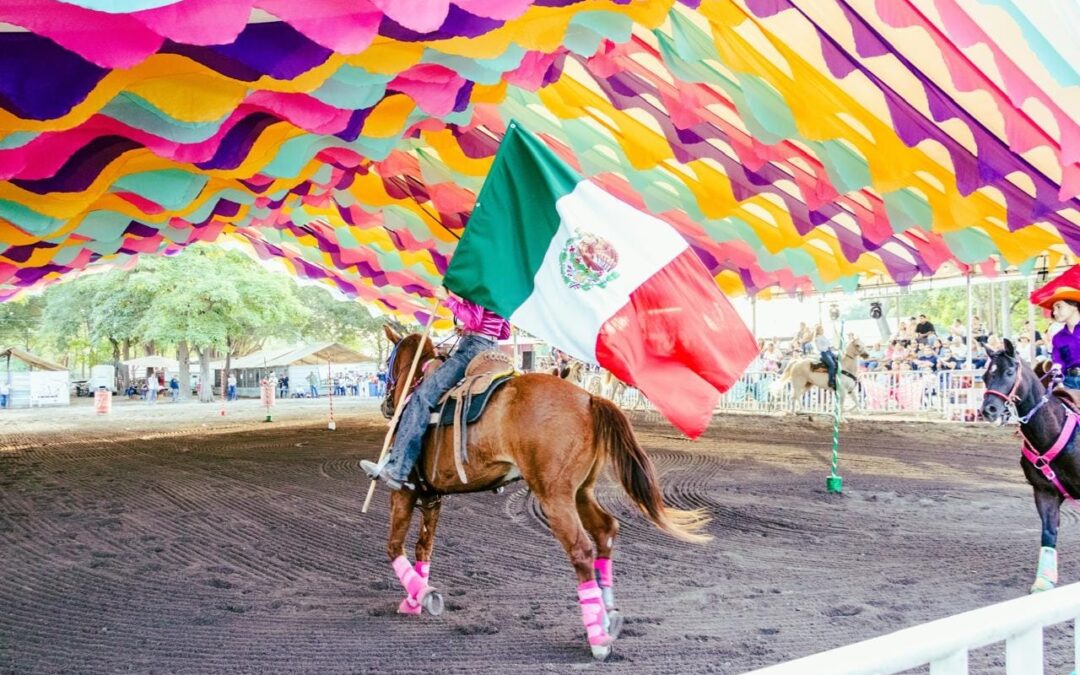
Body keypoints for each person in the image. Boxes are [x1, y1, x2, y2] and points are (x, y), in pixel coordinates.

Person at [361, 287, 511, 490]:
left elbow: (475, 320)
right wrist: (467, 329)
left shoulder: (478, 285)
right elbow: (504, 331)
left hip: (472, 350)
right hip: (493, 351)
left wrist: (447, 300)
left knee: (421, 398)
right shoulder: (501, 289)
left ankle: (398, 470)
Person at [813, 324, 837, 391]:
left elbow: (828, 344)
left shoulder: (823, 336)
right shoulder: (817, 338)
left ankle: (836, 378)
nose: (823, 330)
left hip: (829, 351)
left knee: (838, 361)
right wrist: (827, 347)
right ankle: (830, 381)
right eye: (821, 329)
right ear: (818, 331)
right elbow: (819, 348)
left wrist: (831, 347)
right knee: (832, 365)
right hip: (824, 353)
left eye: (823, 329)